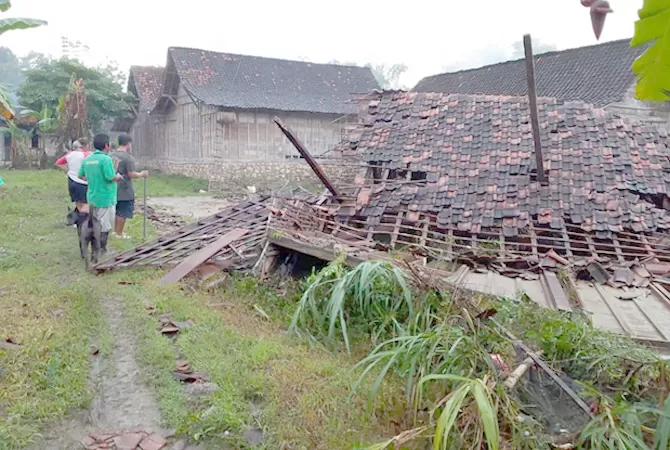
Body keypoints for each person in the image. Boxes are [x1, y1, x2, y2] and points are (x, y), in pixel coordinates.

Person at [78, 134, 122, 253]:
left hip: (92, 197)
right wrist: (118, 176)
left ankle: (92, 248)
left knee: (94, 223)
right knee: (104, 225)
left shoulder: (88, 159)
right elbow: (110, 176)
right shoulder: (106, 159)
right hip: (106, 197)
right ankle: (101, 249)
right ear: (106, 146)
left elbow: (80, 175)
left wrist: (92, 179)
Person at [111, 135, 148, 239]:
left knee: (117, 211)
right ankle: (119, 233)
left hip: (113, 187)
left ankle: (116, 232)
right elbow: (131, 174)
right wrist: (141, 174)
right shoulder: (128, 157)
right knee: (123, 212)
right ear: (128, 144)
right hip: (124, 188)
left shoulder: (111, 155)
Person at [54, 138, 91, 213]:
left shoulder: (70, 154)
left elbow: (58, 163)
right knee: (86, 204)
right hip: (83, 182)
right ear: (84, 146)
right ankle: (84, 221)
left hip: (71, 181)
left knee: (78, 203)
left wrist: (68, 171)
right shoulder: (87, 154)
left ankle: (78, 220)